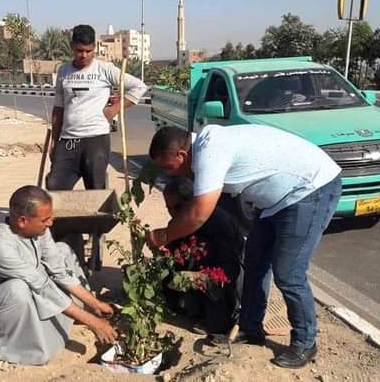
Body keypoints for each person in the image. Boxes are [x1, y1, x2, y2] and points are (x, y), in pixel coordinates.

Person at [146, 125, 342, 368]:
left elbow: (198, 214)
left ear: (181, 155)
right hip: (276, 201)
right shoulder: (204, 150)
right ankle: (250, 328)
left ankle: (305, 342)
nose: (169, 174)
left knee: (288, 273)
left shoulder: (210, 152)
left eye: (168, 167)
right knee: (255, 262)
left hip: (310, 189)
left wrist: (163, 236)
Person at [0, 186, 118, 365]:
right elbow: (41, 286)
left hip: (24, 291)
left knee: (63, 250)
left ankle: (77, 314)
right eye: (45, 219)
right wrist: (92, 322)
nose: (50, 223)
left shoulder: (39, 231)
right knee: (17, 288)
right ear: (22, 221)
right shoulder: (0, 246)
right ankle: (8, 347)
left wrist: (95, 304)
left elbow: (58, 269)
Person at [46, 24, 147, 191]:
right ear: (72, 47)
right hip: (68, 140)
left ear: (95, 47)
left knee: (96, 191)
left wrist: (114, 109)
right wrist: (54, 140)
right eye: (79, 50)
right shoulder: (64, 71)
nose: (84, 55)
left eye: (88, 51)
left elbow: (139, 87)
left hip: (96, 140)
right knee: (54, 187)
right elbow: (59, 107)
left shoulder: (104, 69)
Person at [161, 177, 244, 335]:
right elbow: (172, 252)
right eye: (169, 208)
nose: (172, 213)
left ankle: (220, 320)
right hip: (202, 268)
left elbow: (229, 270)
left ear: (191, 202)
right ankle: (190, 307)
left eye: (177, 207)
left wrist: (196, 276)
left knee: (211, 280)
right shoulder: (181, 222)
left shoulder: (218, 223)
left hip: (227, 277)